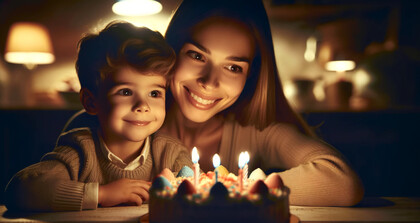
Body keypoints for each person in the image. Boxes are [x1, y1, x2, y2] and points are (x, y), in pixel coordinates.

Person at [62, 0, 364, 206]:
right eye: (196, 56)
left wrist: (226, 188)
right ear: (171, 53)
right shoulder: (101, 128)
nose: (209, 81)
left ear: (252, 77)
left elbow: (342, 182)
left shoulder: (258, 132)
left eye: (233, 67)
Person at [4, 21, 193, 212]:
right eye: (126, 92)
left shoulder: (171, 153)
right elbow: (18, 191)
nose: (143, 106)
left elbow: (197, 192)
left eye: (154, 93)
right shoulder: (80, 151)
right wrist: (101, 194)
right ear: (91, 101)